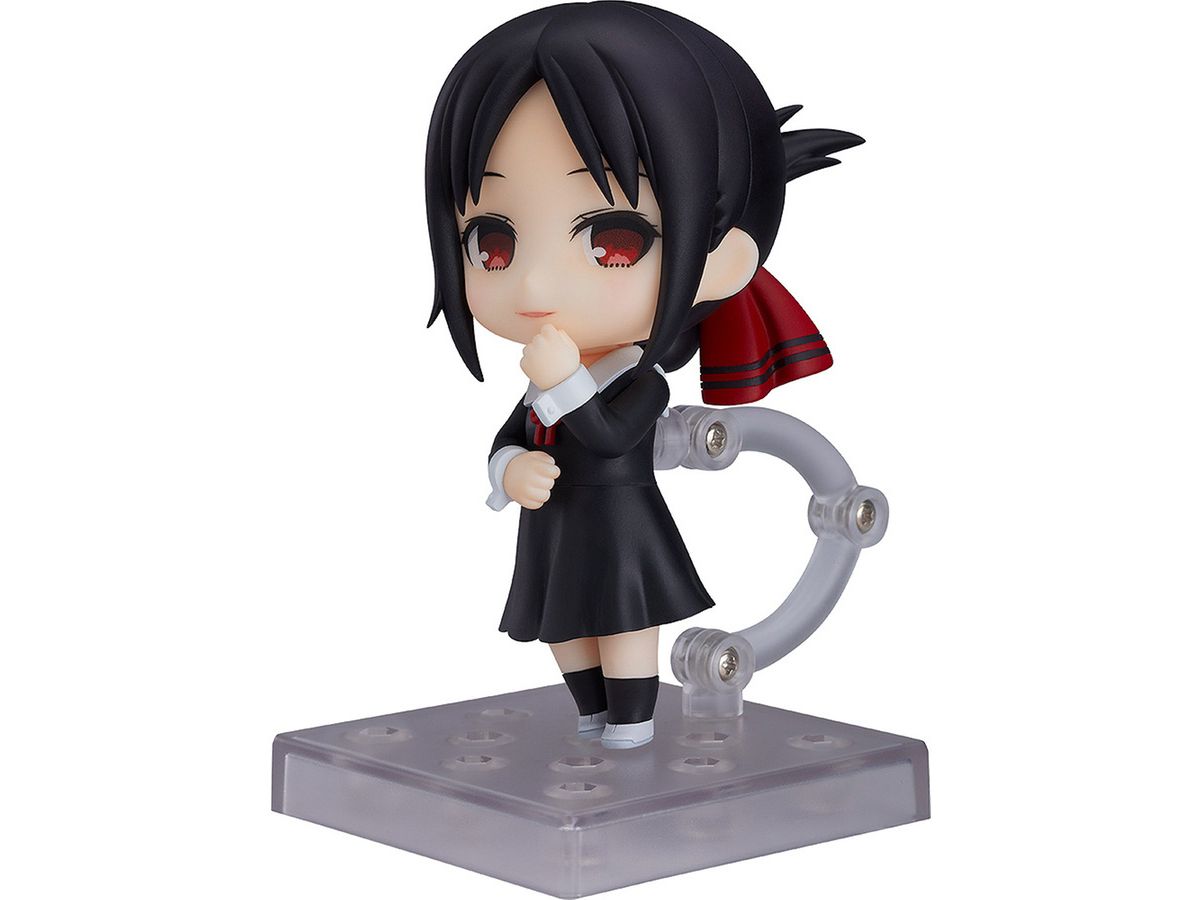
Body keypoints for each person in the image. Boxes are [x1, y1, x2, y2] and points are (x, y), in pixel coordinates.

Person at [424, 2, 861, 749]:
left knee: (624, 625)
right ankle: (590, 718)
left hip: (621, 530)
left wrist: (567, 381)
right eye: (491, 242)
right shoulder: (539, 382)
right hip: (553, 530)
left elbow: (607, 435)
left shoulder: (641, 382)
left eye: (611, 240)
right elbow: (511, 435)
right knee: (561, 628)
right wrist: (509, 467)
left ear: (722, 257)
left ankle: (631, 730)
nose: (532, 285)